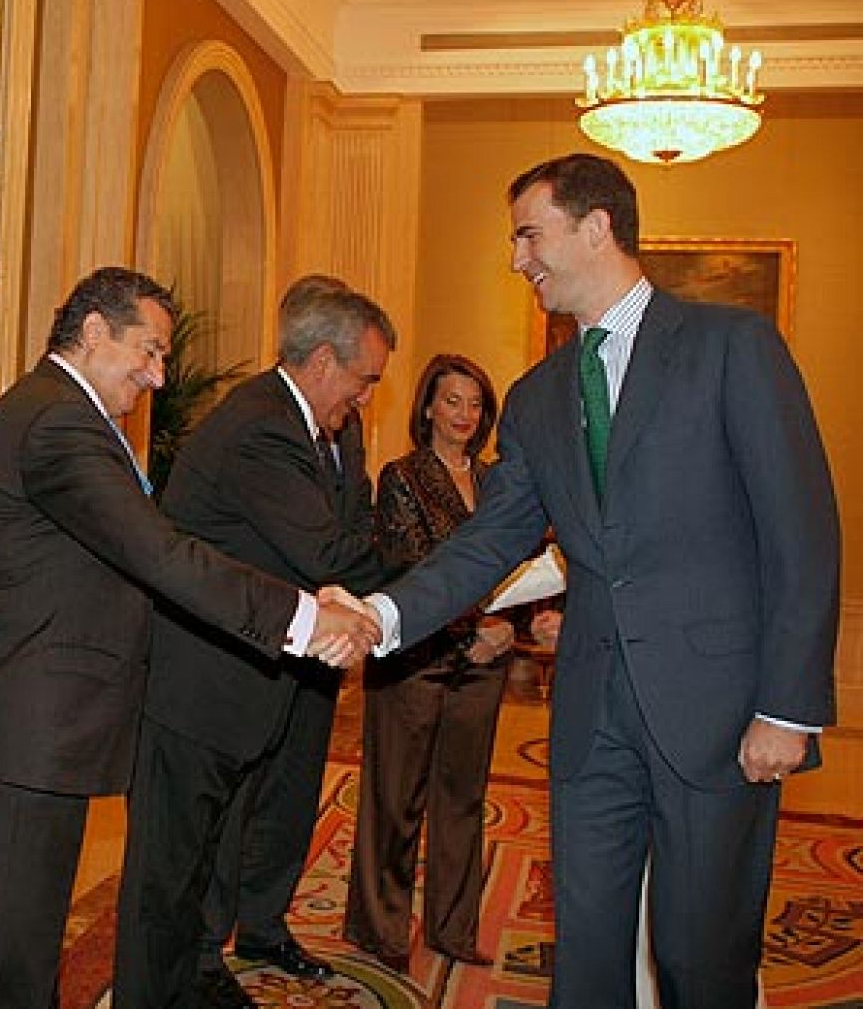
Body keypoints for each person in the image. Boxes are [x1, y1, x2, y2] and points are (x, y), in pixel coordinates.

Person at [352, 153, 839, 1008]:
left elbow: (801, 534)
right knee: (583, 958)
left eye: (528, 234)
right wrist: (380, 614)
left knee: (700, 959)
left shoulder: (732, 346)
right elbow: (488, 541)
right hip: (591, 717)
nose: (517, 259)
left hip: (719, 715)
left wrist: (787, 708)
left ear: (596, 226)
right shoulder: (537, 396)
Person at [0, 266, 378, 1008]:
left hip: (47, 733)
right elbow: (161, 553)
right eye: (148, 351)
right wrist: (304, 619)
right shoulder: (56, 423)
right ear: (93, 332)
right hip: (30, 731)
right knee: (7, 967)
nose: (157, 376)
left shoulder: (66, 416)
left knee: (26, 955)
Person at [113, 277, 401, 1008]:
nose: (366, 395)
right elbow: (331, 552)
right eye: (366, 378)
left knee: (212, 847)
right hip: (198, 683)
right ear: (325, 362)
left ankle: (199, 974)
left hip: (247, 675)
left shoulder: (311, 423)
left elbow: (346, 534)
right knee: (168, 871)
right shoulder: (262, 426)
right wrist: (442, 579)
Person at [342, 353, 518, 973]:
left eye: (475, 403)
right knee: (396, 798)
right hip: (414, 660)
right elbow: (412, 568)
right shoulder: (403, 477)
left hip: (485, 663)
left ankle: (453, 928)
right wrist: (479, 625)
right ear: (428, 408)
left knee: (462, 800)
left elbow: (521, 565)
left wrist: (509, 628)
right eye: (452, 400)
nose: (464, 414)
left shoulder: (498, 483)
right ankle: (381, 929)